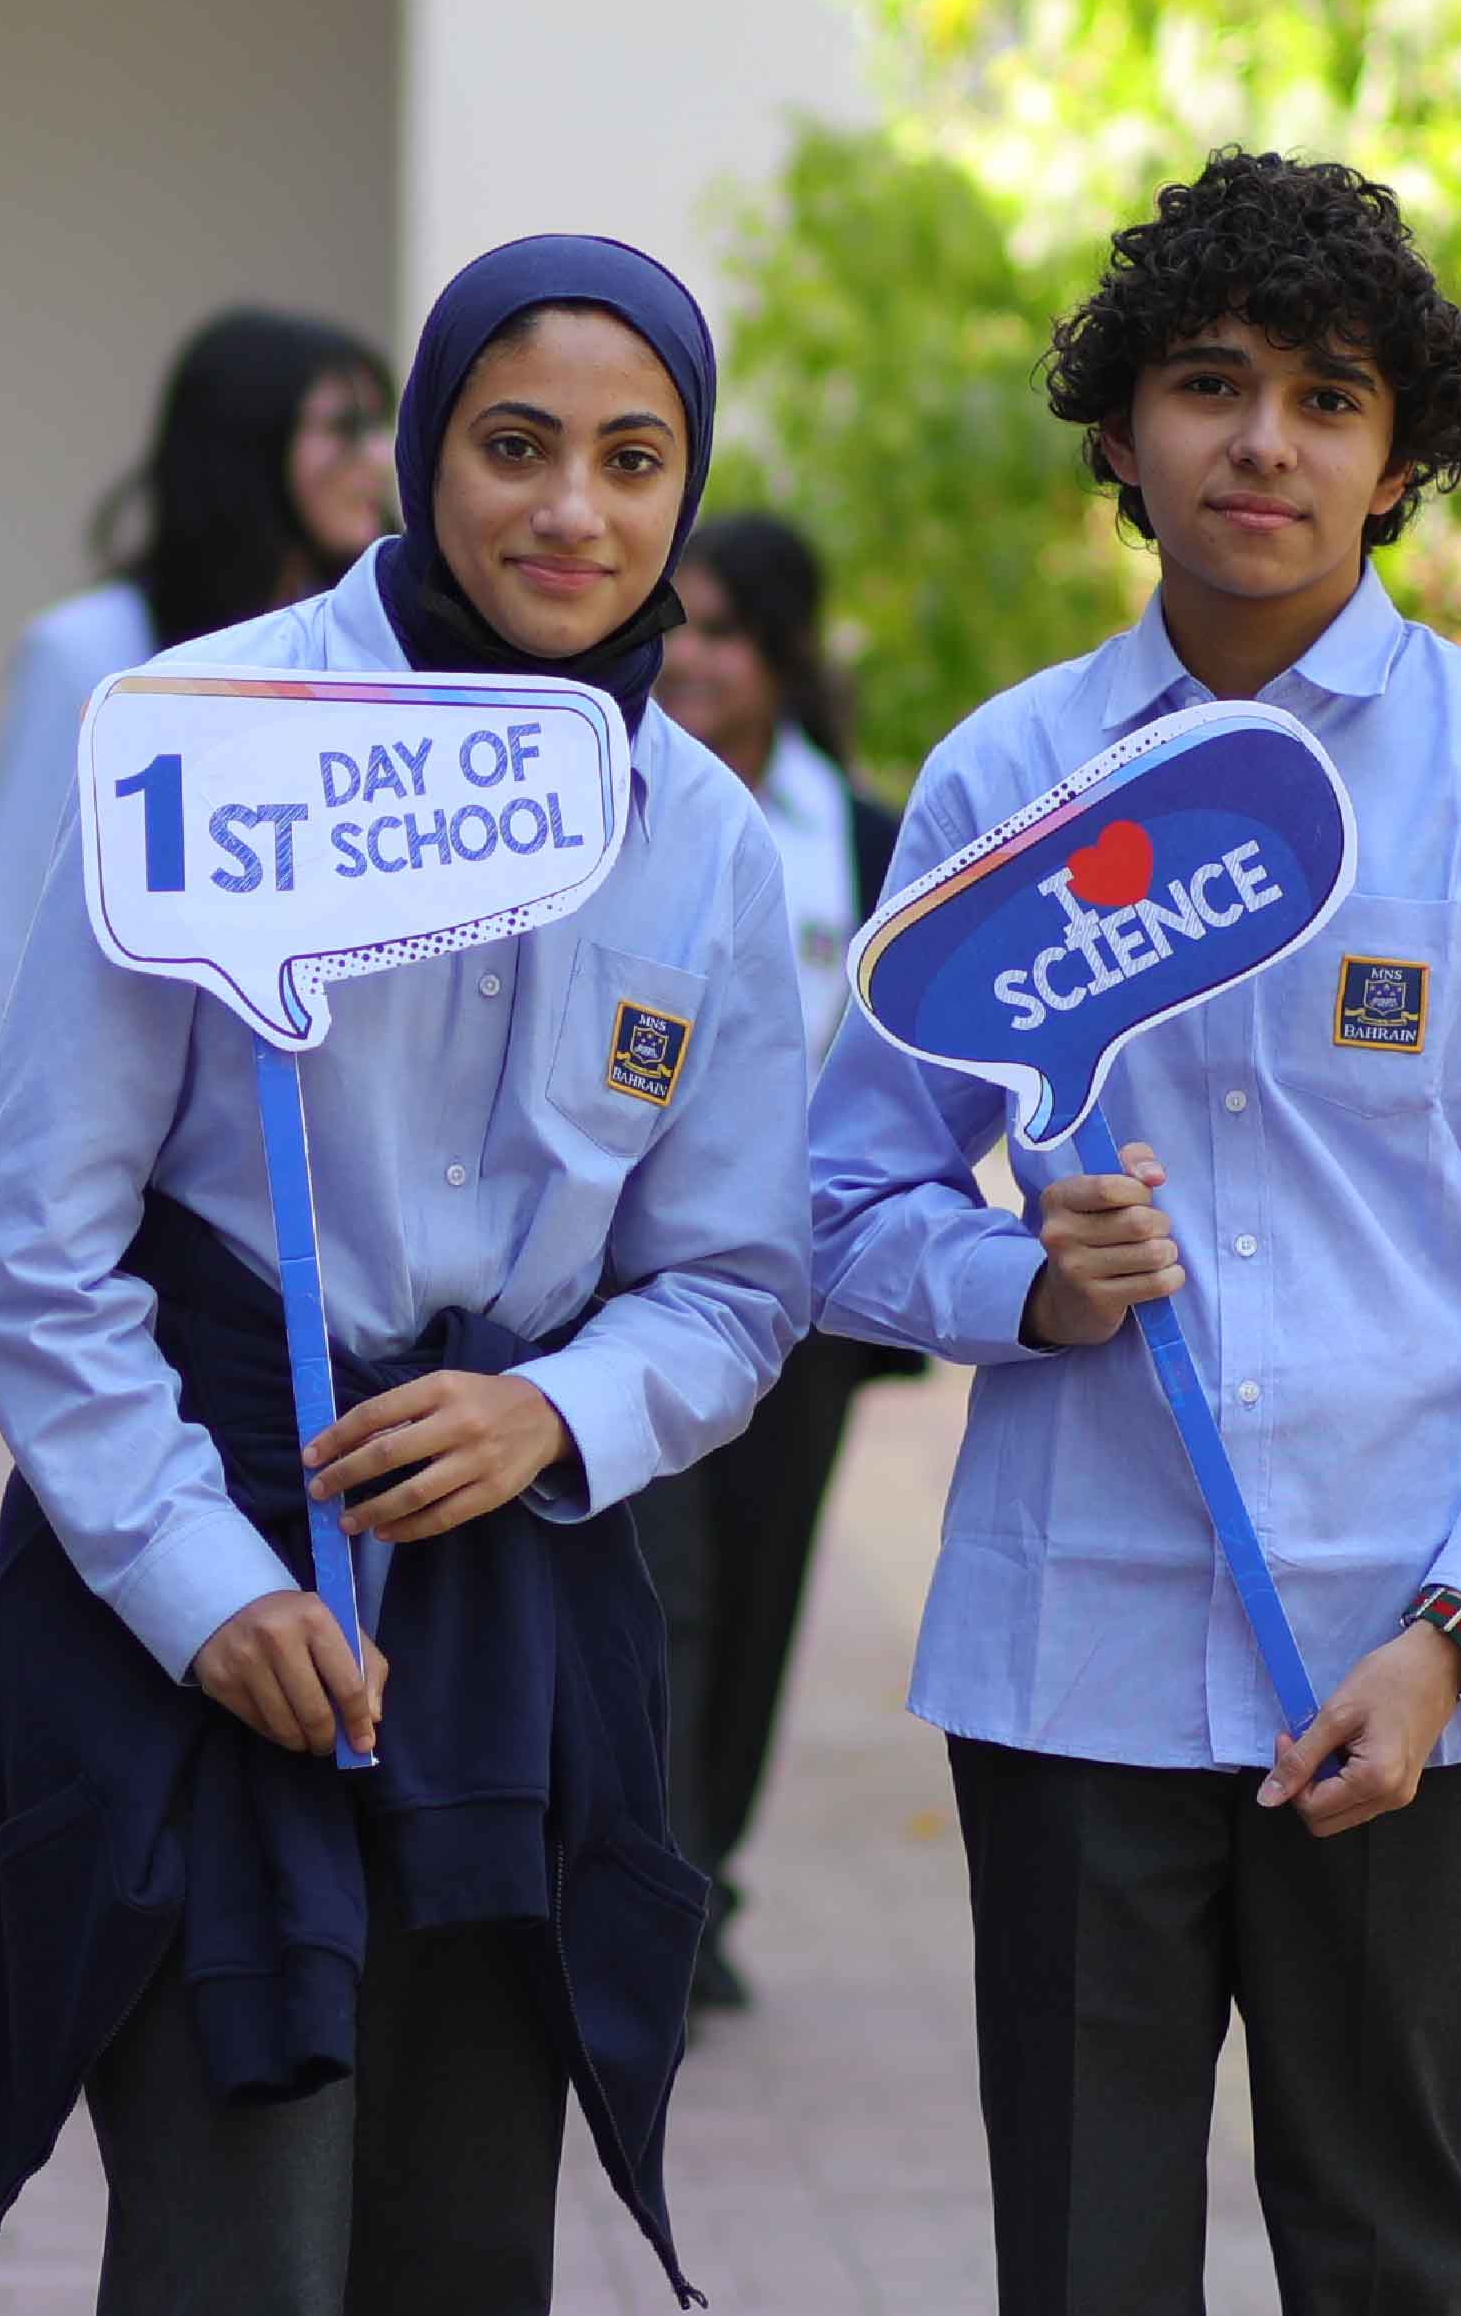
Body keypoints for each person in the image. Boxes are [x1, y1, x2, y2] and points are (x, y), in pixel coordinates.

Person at [807, 150, 1461, 2315]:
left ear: (1399, 457)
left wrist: (1455, 1627)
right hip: (1072, 1657)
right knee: (1081, 2259)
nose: (1262, 442)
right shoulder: (1004, 781)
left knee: (1383, 2249)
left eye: (1326, 396)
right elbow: (836, 1211)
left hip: (1415, 1651)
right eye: (1208, 383)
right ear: (1121, 432)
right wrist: (1021, 1283)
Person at [0, 236, 810, 2316]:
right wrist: (207, 1588)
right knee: (237, 2241)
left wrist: (549, 1408)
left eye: (632, 460)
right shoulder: (206, 738)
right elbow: (34, 1245)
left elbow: (736, 1281)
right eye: (512, 444)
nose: (570, 509)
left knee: (460, 2243)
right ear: (414, 454)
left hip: (502, 1616)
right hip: (197, 1565)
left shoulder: (704, 839)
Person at [0, 308, 394, 1334]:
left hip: (348, 1188)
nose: (378, 460)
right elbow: (7, 920)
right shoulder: (94, 656)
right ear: (245, 445)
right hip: (150, 1181)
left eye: (383, 427)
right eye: (343, 427)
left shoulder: (381, 664)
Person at [632, 510, 918, 2012]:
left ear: (786, 654)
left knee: (756, 1596)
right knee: (659, 1588)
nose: (693, 659)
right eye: (676, 624)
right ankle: (645, 1887)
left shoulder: (867, 839)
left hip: (804, 1294)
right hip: (627, 1284)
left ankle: (702, 1874)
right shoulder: (607, 803)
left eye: (728, 631)